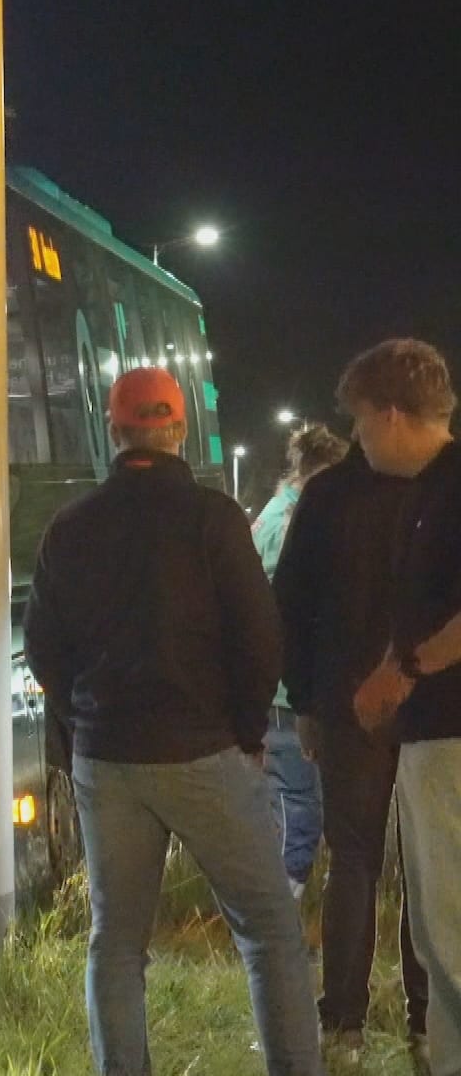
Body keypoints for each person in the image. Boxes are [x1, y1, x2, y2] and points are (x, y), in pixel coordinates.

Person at [25, 367, 322, 1076]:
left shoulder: (71, 527)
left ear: (114, 428)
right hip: (203, 751)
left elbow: (42, 647)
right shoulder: (213, 518)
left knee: (116, 944)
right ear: (180, 429)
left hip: (109, 758)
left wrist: (85, 718)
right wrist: (248, 733)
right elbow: (261, 637)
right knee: (270, 933)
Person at [273, 435, 429, 1067]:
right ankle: (429, 1023)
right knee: (429, 863)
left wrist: (305, 702)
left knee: (353, 860)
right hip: (436, 706)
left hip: (345, 704)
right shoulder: (442, 486)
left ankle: (343, 1026)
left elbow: (291, 605)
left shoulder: (328, 494)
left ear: (384, 413)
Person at [344, 339, 461, 1076]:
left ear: (391, 415)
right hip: (435, 736)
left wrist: (406, 672)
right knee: (437, 930)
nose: (357, 441)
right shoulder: (431, 490)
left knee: (448, 928)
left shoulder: (452, 488)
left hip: (451, 738)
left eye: (359, 424)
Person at [251, 424, 347, 897]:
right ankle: (279, 924)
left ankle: (280, 919)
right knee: (299, 807)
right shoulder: (296, 523)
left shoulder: (272, 515)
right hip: (290, 692)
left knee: (291, 804)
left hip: (277, 688)